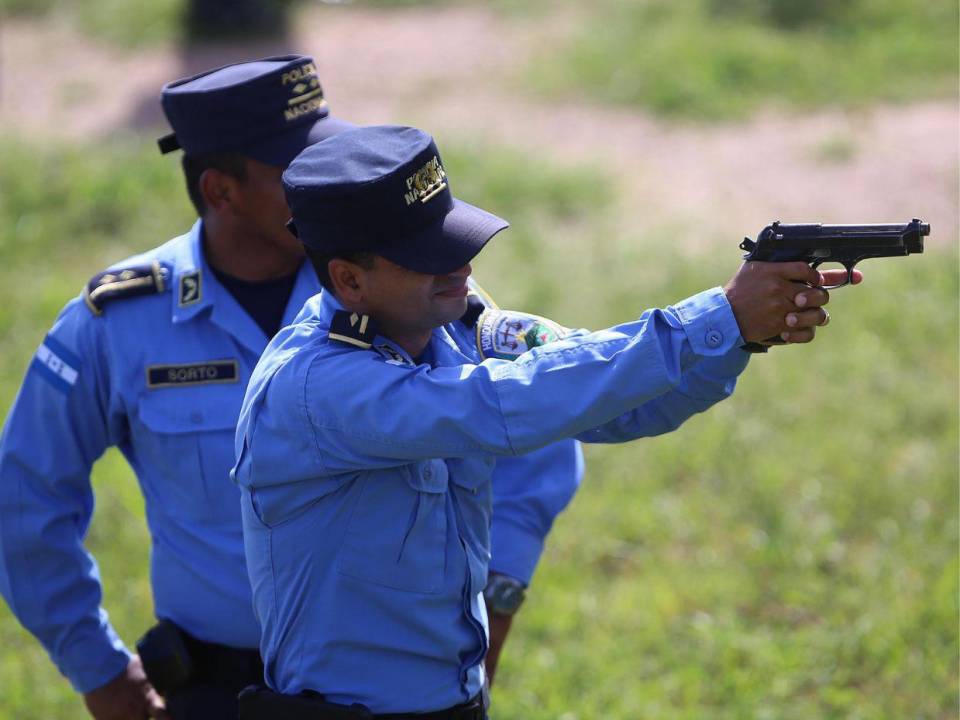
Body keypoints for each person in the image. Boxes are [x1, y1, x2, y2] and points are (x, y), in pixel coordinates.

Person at [0, 56, 580, 720]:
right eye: (295, 171)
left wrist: (499, 594)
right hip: (213, 689)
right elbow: (26, 498)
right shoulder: (120, 321)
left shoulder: (401, 283)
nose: (324, 183)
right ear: (221, 191)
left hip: (402, 690)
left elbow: (538, 416)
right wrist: (98, 670)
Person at [232, 124, 859, 717]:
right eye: (431, 254)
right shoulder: (318, 385)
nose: (464, 267)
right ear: (349, 279)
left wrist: (741, 334)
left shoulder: (453, 328)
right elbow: (507, 404)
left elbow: (622, 401)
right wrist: (718, 315)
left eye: (457, 240)